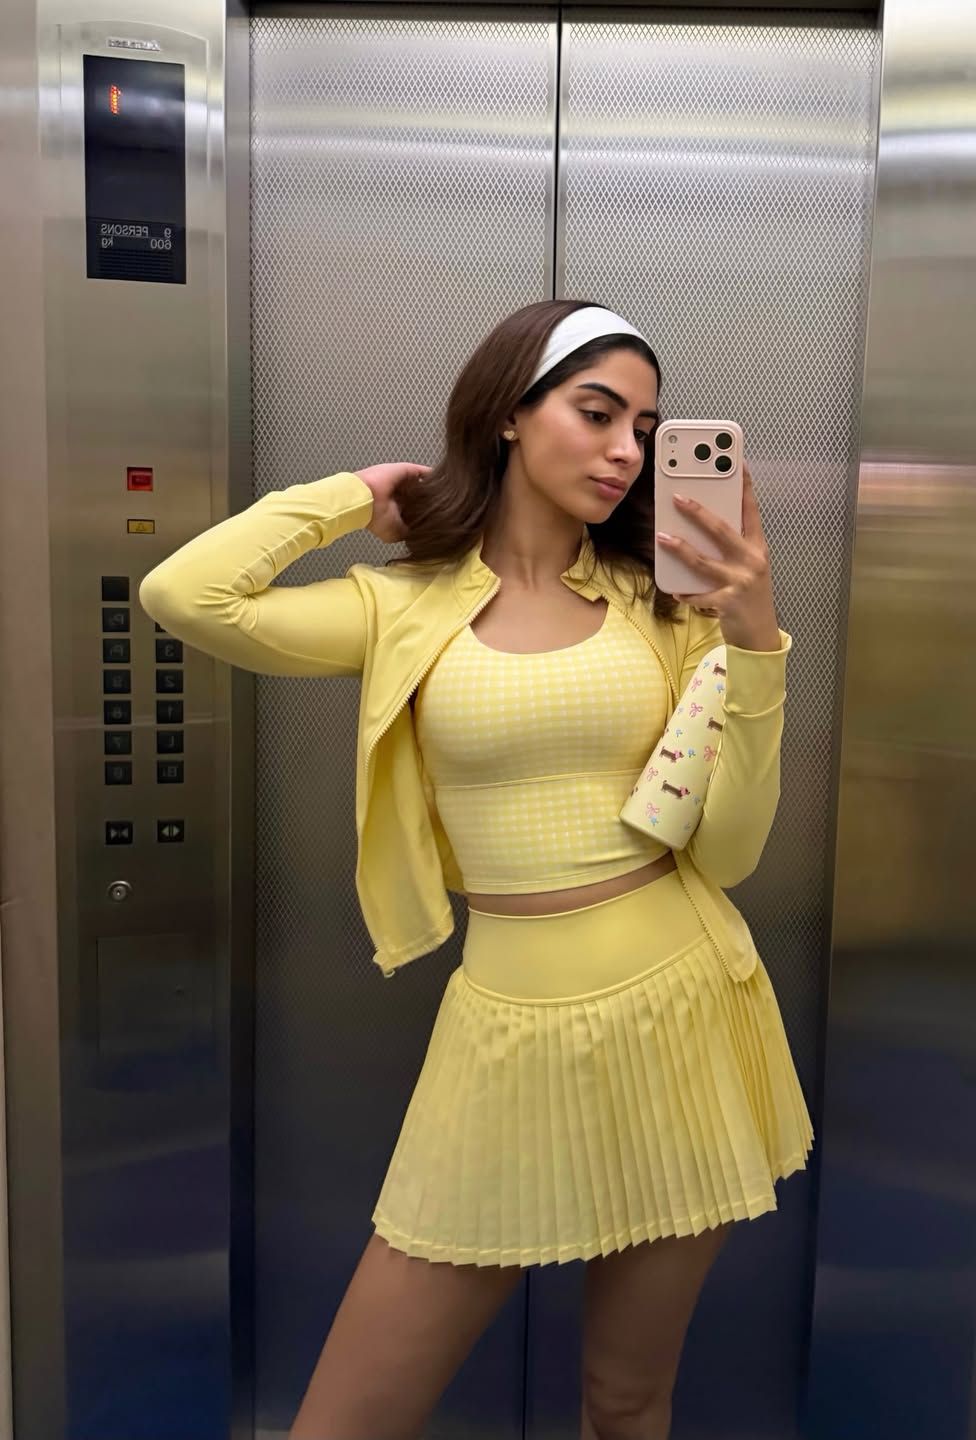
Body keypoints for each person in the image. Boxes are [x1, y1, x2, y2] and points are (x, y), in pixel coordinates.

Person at [139, 299, 813, 1440]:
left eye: (646, 428)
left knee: (626, 1402)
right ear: (509, 412)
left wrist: (755, 644)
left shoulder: (664, 607)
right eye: (597, 412)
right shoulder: (401, 607)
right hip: (502, 1031)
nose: (626, 450)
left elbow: (730, 851)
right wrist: (354, 495)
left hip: (683, 1011)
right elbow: (186, 597)